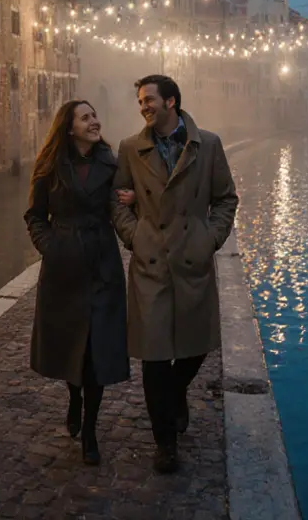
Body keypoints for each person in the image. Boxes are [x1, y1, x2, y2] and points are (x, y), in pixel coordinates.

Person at [111, 74, 239, 474]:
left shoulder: (209, 145)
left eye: (149, 100)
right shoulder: (131, 148)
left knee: (196, 346)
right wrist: (136, 237)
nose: (143, 107)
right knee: (153, 356)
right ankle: (164, 442)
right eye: (140, 101)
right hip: (151, 264)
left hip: (191, 258)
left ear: (172, 102)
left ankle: (175, 393)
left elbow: (226, 199)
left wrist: (209, 238)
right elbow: (117, 202)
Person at [24, 100, 132, 465]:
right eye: (86, 117)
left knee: (96, 349)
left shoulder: (112, 164)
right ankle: (74, 398)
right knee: (73, 344)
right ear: (69, 128)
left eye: (95, 115)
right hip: (63, 266)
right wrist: (51, 247)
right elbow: (35, 216)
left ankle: (90, 430)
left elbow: (124, 207)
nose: (95, 121)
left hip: (102, 263)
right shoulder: (50, 166)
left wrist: (132, 201)